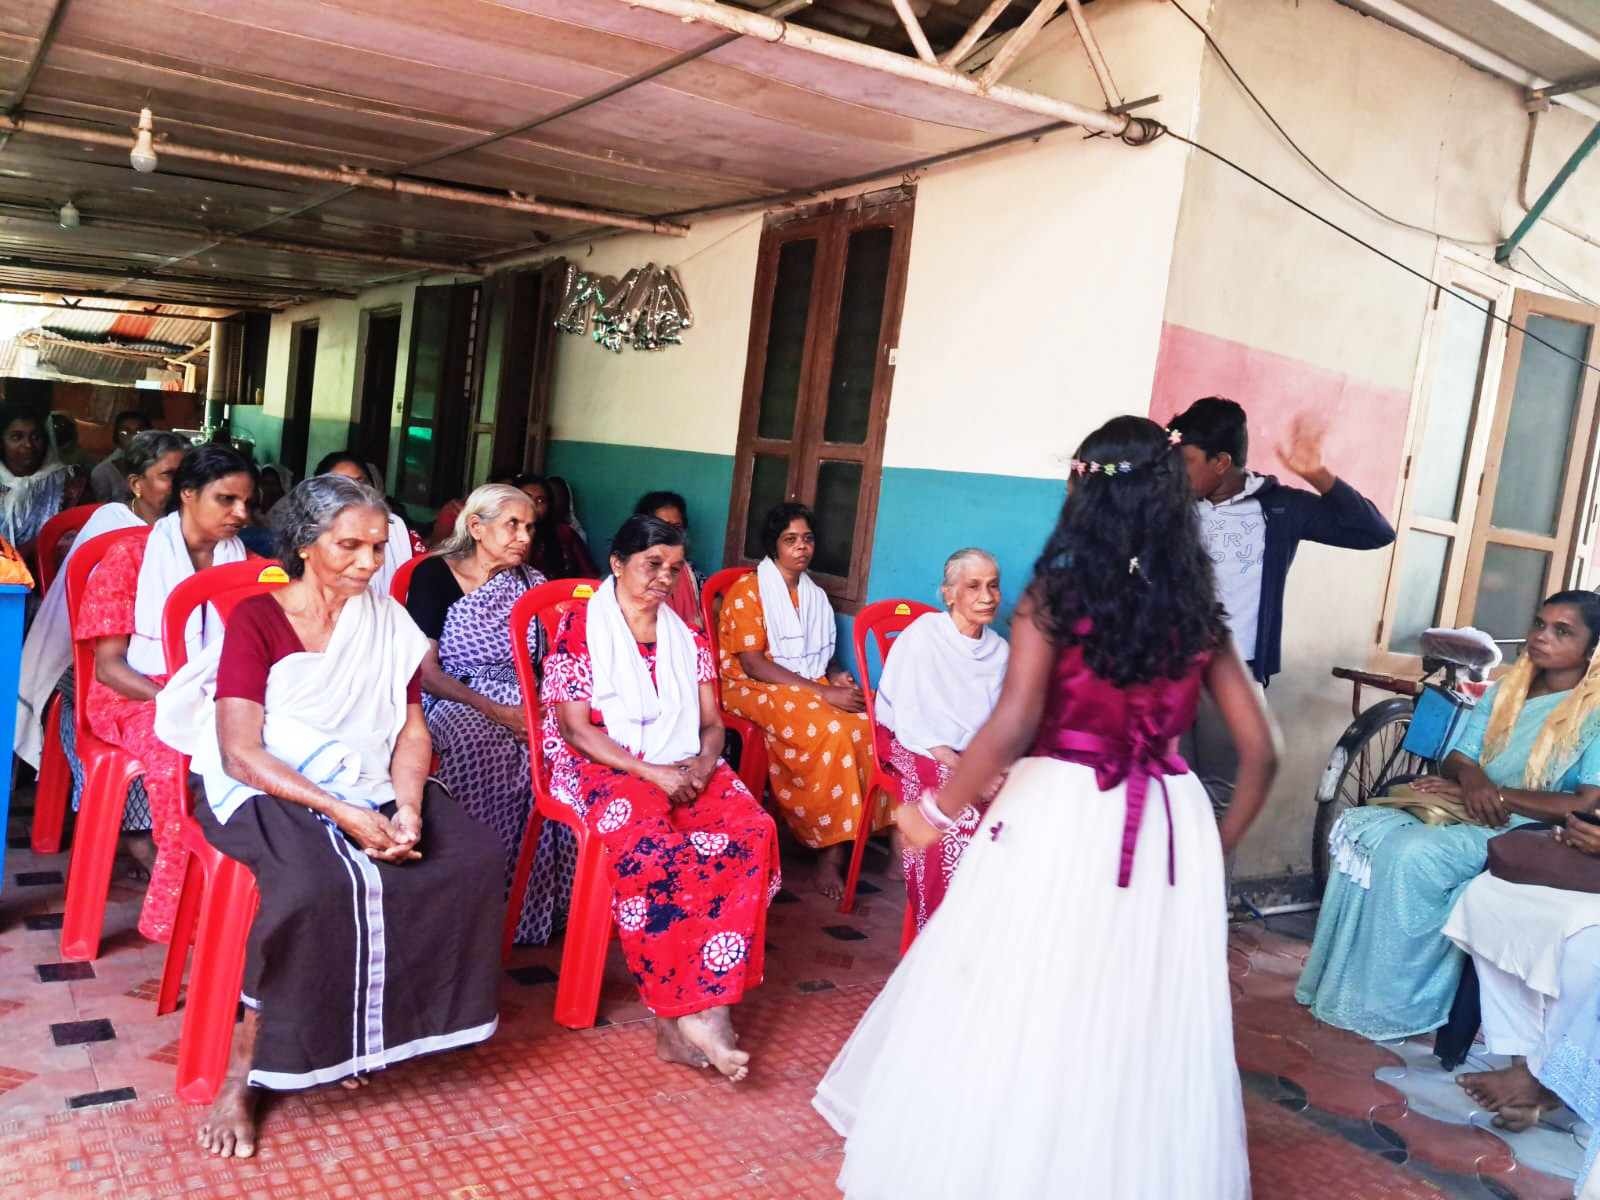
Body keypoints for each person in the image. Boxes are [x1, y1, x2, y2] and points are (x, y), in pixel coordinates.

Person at [814, 416, 1276, 1199]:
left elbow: (1015, 721)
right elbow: (1265, 753)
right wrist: (1214, 846)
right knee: (1138, 1005)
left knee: (1026, 985)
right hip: (1170, 824)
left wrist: (935, 809)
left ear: (1084, 494)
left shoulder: (1055, 596)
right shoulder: (1197, 609)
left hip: (1063, 810)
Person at [153, 474, 503, 1159]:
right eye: (351, 546)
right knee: (312, 888)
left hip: (368, 774)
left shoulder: (387, 623)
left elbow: (409, 732)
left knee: (470, 859)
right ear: (307, 546)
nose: (370, 564)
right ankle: (243, 1075)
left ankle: (370, 1033)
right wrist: (342, 811)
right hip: (261, 786)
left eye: (378, 547)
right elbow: (239, 749)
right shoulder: (259, 619)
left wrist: (404, 806)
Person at [1296, 591, 1600, 1041]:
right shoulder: (1507, 691)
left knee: (1411, 854)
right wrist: (1471, 782)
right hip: (1470, 807)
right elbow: (1459, 756)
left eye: (1562, 631)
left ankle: (1394, 1006)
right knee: (1360, 830)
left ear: (1592, 648)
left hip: (1524, 832)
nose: (1540, 637)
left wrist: (1495, 794)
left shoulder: (1593, 712)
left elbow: (1585, 804)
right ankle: (1344, 986)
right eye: (1539, 624)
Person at [542, 515, 778, 1078]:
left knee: (752, 831)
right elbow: (576, 730)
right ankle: (680, 1019)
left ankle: (708, 1009)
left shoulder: (686, 637)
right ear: (618, 564)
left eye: (674, 569)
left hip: (682, 761)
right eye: (652, 564)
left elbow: (712, 724)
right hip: (604, 763)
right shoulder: (580, 626)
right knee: (656, 850)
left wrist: (700, 764)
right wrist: (651, 773)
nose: (664, 578)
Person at [1170, 398, 1393, 824]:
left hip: (1234, 675)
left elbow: (1374, 532)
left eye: (1187, 462)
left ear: (1221, 462)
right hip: (1166, 670)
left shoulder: (1280, 508)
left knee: (1220, 802)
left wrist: (1316, 474)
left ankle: (1211, 890)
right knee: (1169, 793)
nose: (1177, 472)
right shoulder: (1171, 504)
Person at [72, 444, 253, 942]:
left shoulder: (248, 568)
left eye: (246, 501)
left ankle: (244, 893)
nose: (241, 513)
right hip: (134, 698)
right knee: (176, 755)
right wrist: (178, 699)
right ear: (187, 494)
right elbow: (108, 668)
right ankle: (175, 914)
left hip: (218, 699)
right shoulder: (128, 559)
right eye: (227, 499)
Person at [405, 483, 574, 945]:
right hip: (457, 695)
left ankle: (532, 906)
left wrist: (540, 708)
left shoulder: (532, 585)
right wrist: (497, 711)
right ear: (477, 528)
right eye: (512, 525)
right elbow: (426, 672)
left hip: (527, 694)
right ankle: (467, 902)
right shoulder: (435, 577)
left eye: (529, 527)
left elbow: (550, 660)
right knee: (477, 745)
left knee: (568, 750)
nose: (523, 536)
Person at [716, 503, 877, 899]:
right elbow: (752, 664)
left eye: (807, 539)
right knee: (834, 727)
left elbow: (822, 657)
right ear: (773, 546)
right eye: (791, 540)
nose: (801, 548)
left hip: (803, 683)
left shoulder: (815, 596)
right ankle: (830, 851)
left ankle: (865, 834)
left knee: (870, 718)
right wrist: (823, 692)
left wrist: (837, 675)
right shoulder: (747, 591)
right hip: (749, 685)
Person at [16, 430, 187, 769]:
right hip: (92, 657)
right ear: (136, 483)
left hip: (168, 661)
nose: (183, 486)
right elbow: (101, 621)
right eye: (169, 476)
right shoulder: (111, 525)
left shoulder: (192, 532)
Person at [874, 548, 1009, 931]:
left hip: (973, 753)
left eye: (994, 586)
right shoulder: (923, 637)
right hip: (914, 742)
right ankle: (939, 933)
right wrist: (968, 770)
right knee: (954, 812)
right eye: (973, 586)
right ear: (949, 594)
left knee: (1016, 810)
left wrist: (993, 769)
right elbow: (915, 723)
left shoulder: (999, 652)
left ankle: (992, 933)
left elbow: (1002, 726)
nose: (987, 596)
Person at [312, 450, 421, 595]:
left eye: (377, 547)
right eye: (339, 484)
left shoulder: (396, 527)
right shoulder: (309, 530)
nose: (369, 564)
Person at [0, 403, 86, 562]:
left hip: (50, 575)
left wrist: (32, 548)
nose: (28, 445)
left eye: (35, 437)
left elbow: (82, 535)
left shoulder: (70, 482)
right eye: (16, 437)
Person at [635, 490, 703, 630]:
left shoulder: (689, 571)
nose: (670, 533)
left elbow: (713, 603)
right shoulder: (632, 569)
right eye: (662, 526)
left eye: (676, 527)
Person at [517, 473, 599, 580]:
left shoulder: (564, 533)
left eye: (541, 501)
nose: (533, 505)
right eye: (527, 498)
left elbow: (589, 574)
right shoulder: (505, 533)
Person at [88, 410, 154, 503]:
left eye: (140, 432)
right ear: (116, 440)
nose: (133, 437)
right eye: (124, 433)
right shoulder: (103, 473)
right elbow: (100, 509)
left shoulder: (159, 470)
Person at [546, 474, 590, 548]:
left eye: (557, 496)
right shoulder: (532, 530)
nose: (551, 501)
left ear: (567, 502)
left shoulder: (575, 534)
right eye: (547, 496)